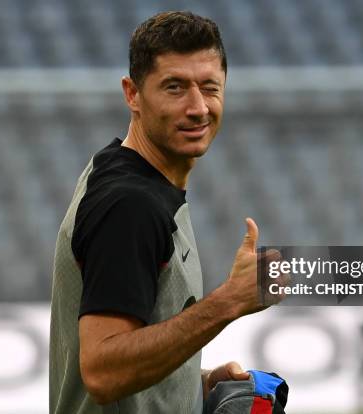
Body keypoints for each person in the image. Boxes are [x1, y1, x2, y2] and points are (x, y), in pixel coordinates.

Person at [49, 11, 282, 414]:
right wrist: (228, 301)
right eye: (175, 88)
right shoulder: (130, 206)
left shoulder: (134, 176)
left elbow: (130, 354)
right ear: (132, 94)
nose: (198, 108)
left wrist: (196, 384)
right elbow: (104, 373)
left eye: (210, 88)